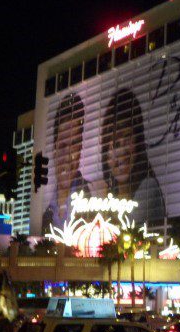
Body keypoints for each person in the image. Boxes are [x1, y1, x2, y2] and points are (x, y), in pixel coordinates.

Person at [101, 88, 165, 223]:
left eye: (128, 139)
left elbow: (126, 234)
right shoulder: (111, 196)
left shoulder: (148, 188)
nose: (122, 151)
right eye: (116, 144)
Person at [43, 93, 91, 231]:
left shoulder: (91, 198)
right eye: (63, 146)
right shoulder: (46, 215)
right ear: (54, 150)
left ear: (81, 148)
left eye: (75, 144)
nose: (68, 156)